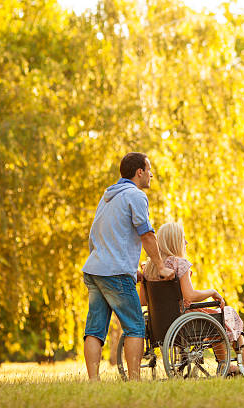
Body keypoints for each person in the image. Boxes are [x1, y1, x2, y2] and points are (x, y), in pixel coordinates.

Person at [82, 152, 174, 381]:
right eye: (149, 169)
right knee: (135, 327)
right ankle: (134, 381)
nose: (151, 174)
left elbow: (94, 237)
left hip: (95, 269)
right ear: (139, 172)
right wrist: (160, 266)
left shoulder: (107, 197)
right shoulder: (135, 195)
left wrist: (130, 267)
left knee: (95, 330)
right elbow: (147, 234)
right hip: (114, 272)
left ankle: (93, 383)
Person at [142, 221, 244, 375]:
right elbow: (190, 296)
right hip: (185, 319)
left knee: (218, 318)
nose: (186, 242)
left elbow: (144, 301)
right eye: (183, 239)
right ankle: (236, 364)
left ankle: (235, 363)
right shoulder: (180, 264)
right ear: (175, 242)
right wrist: (212, 292)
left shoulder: (148, 267)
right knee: (226, 314)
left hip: (160, 324)